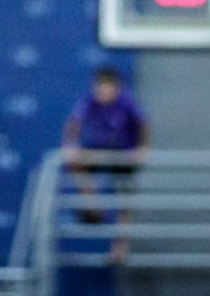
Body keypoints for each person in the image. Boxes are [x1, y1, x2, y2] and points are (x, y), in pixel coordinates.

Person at [63, 66, 148, 253]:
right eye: (99, 87)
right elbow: (73, 123)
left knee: (125, 198)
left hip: (124, 152)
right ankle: (94, 204)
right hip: (101, 149)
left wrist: (142, 149)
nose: (103, 92)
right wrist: (71, 145)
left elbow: (143, 123)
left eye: (107, 87)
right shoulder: (89, 101)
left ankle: (120, 245)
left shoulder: (127, 102)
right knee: (75, 161)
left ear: (116, 87)